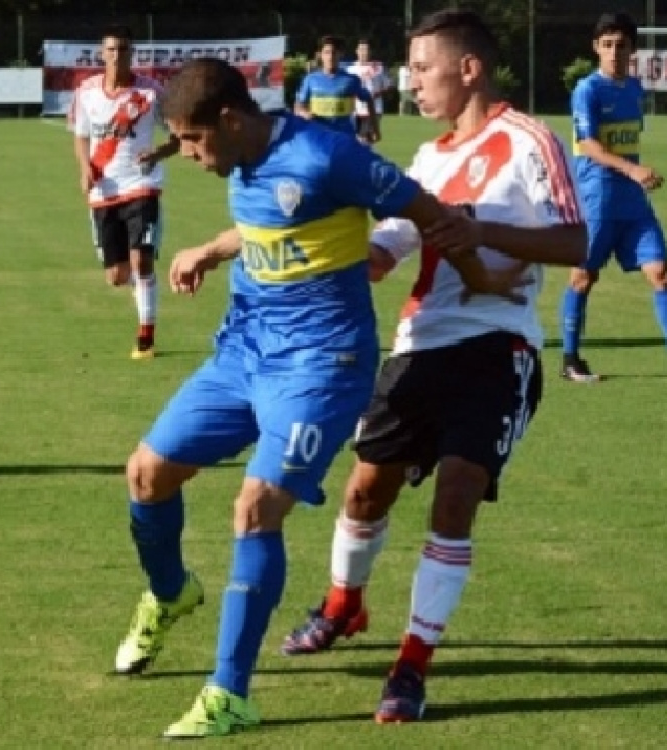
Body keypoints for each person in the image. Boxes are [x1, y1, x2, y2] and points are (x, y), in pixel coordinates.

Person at [113, 55, 529, 739]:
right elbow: (272, 223)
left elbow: (427, 210)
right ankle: (170, 592)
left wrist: (479, 277)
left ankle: (229, 692)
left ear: (230, 119)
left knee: (256, 508)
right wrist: (212, 249)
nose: (186, 154)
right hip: (243, 354)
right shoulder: (242, 158)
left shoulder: (327, 155)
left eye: (192, 139)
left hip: (320, 367)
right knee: (145, 475)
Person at [281, 9, 587, 724]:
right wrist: (322, 255)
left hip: (499, 347)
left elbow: (575, 242)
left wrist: (479, 230)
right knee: (365, 492)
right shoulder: (427, 157)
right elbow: (386, 247)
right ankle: (343, 604)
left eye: (421, 68)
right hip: (418, 347)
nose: (410, 81)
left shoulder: (531, 140)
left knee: (455, 495)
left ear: (469, 68)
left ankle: (411, 667)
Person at [560, 12, 667, 382]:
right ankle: (570, 360)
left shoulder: (634, 88)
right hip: (598, 199)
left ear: (632, 49)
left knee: (661, 274)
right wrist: (633, 170)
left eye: (621, 45)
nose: (614, 52)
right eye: (607, 45)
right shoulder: (587, 90)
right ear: (596, 48)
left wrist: (635, 176)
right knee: (583, 277)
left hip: (633, 204)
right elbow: (589, 145)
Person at [69, 24, 179, 360]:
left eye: (124, 49)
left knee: (141, 260)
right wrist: (85, 168)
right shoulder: (86, 92)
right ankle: (142, 287)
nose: (117, 55)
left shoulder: (151, 92)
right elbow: (81, 136)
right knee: (117, 276)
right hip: (104, 190)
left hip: (142, 186)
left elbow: (179, 135)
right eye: (111, 49)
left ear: (133, 53)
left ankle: (146, 336)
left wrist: (159, 152)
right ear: (102, 54)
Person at [294, 35, 378, 140]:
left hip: (344, 137)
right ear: (320, 55)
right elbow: (298, 105)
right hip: (319, 137)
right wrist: (304, 113)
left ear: (340, 54)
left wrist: (375, 128)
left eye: (334, 52)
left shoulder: (351, 80)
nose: (330, 57)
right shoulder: (311, 79)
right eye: (327, 52)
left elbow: (368, 99)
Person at [346, 39, 392, 143]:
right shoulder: (350, 69)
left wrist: (377, 93)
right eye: (361, 49)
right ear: (357, 51)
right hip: (356, 109)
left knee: (365, 138)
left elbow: (389, 86)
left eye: (366, 50)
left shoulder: (378, 68)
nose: (364, 52)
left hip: (374, 108)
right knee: (360, 139)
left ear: (370, 52)